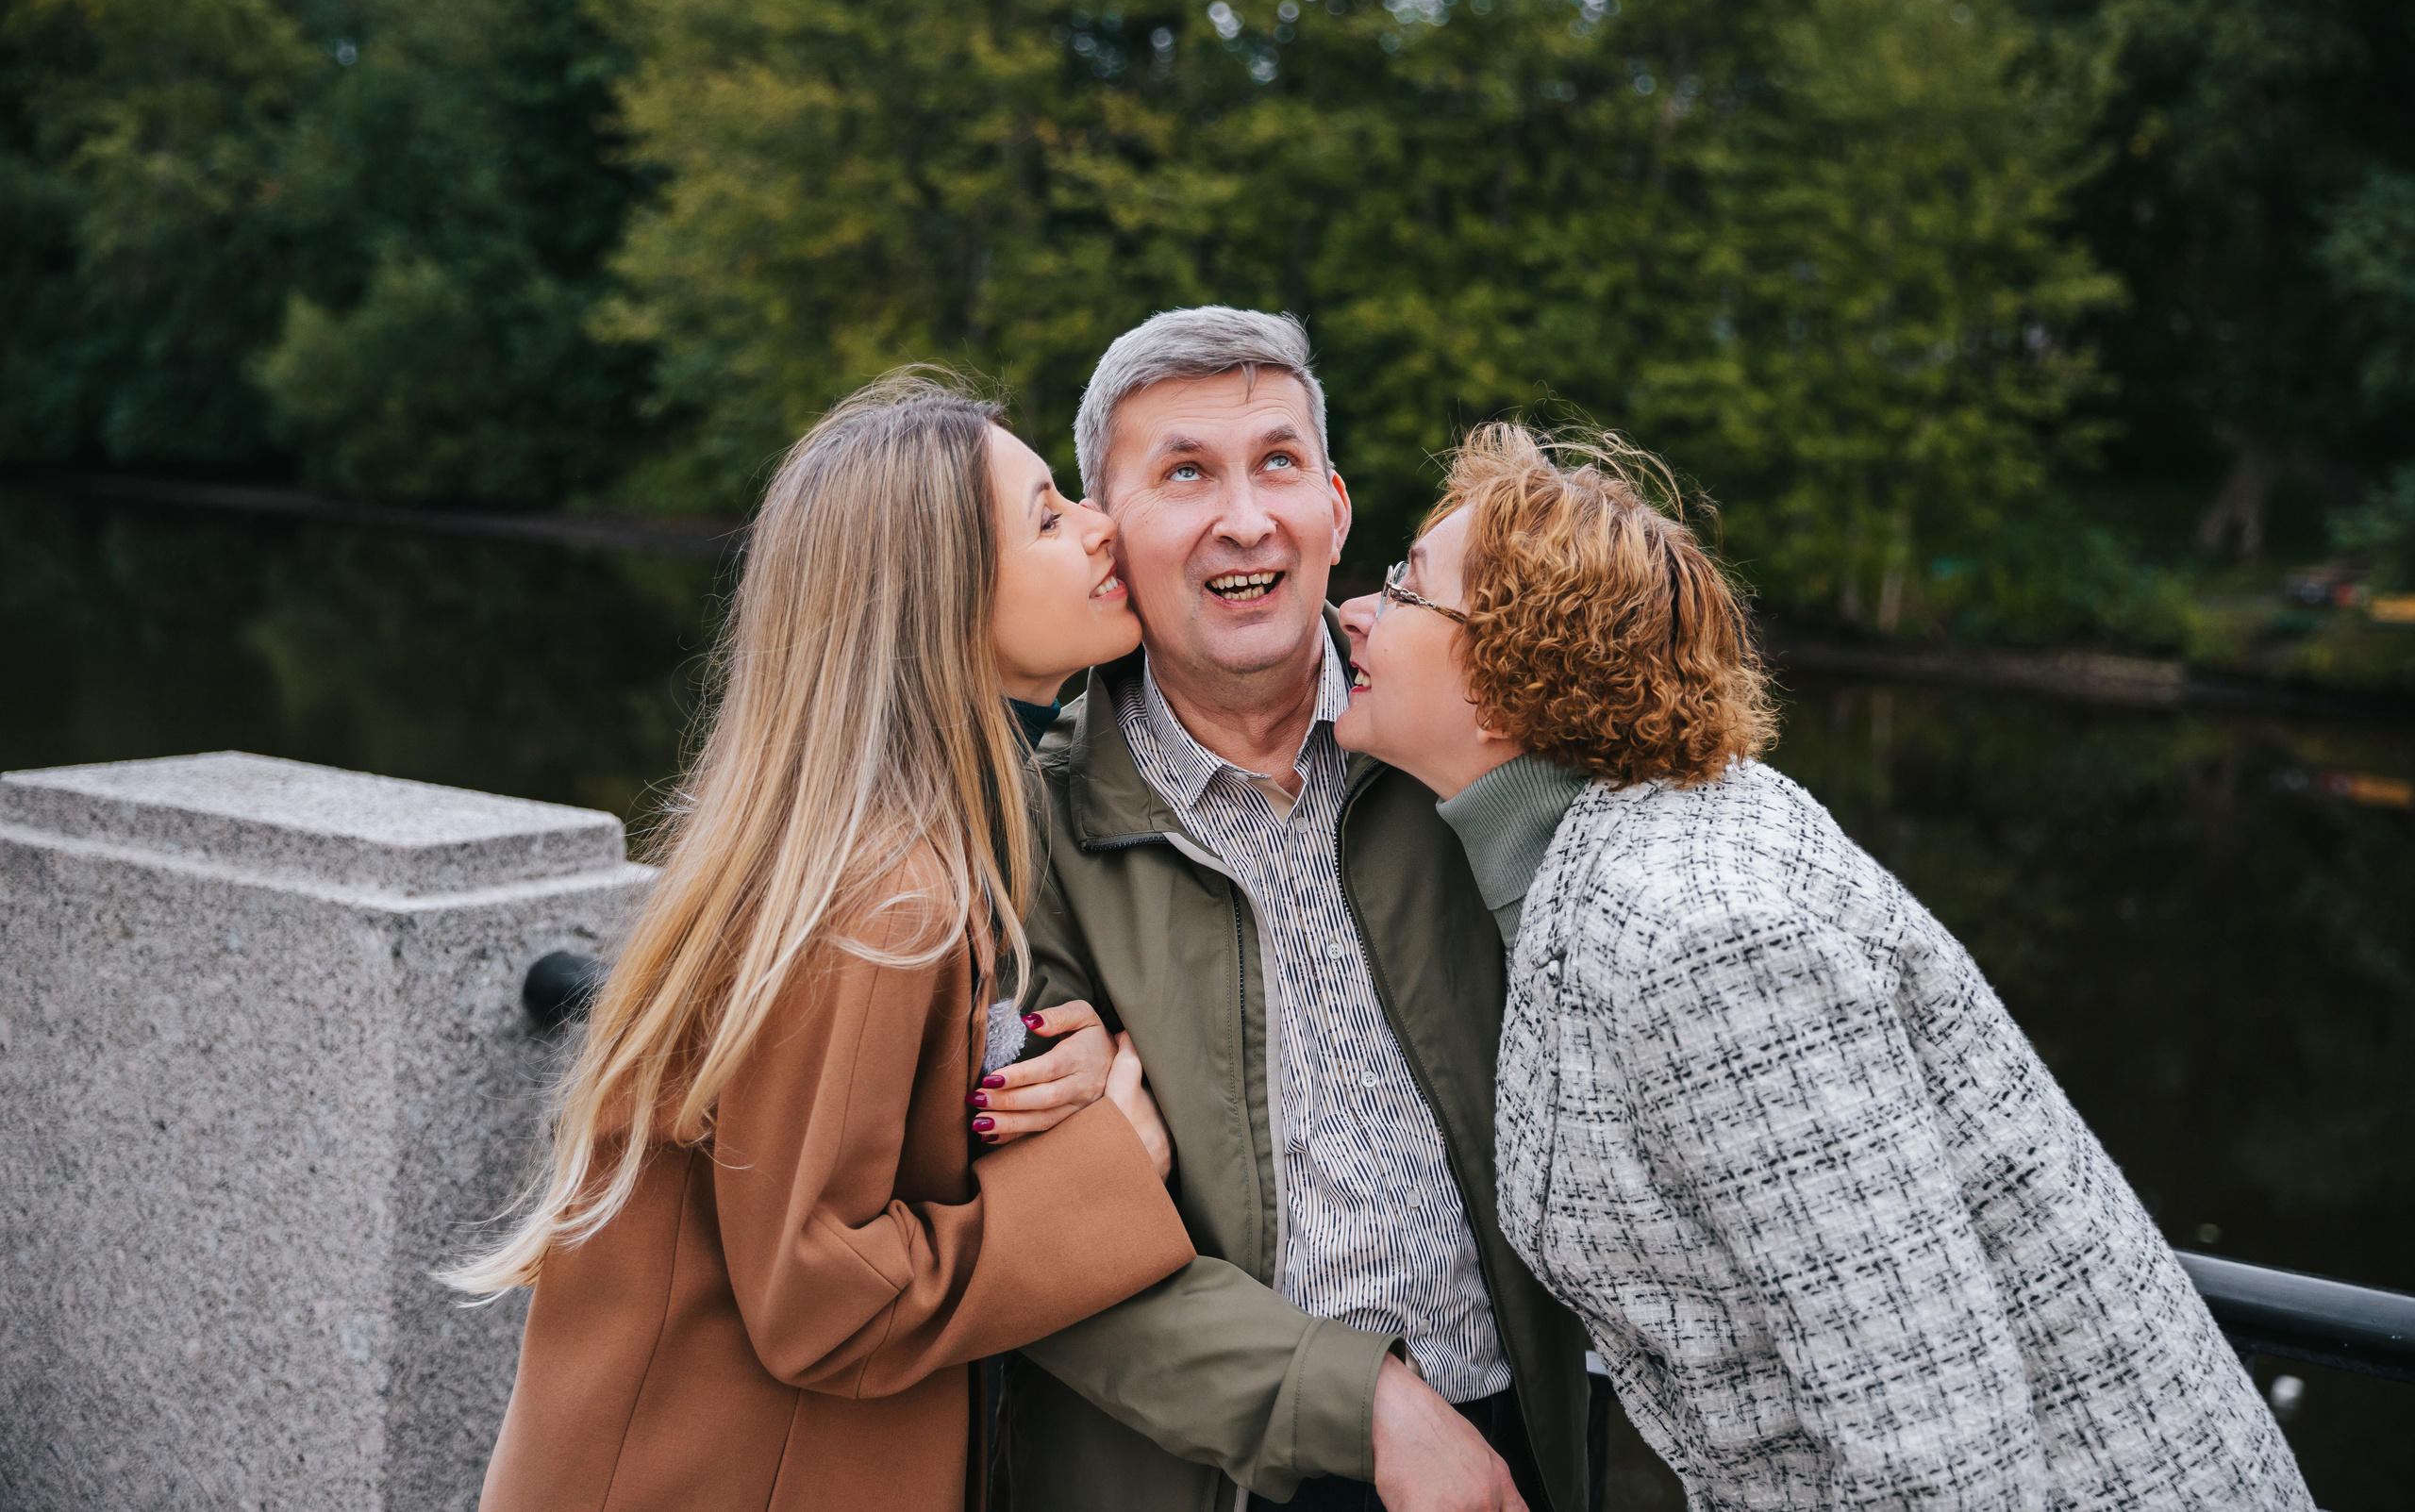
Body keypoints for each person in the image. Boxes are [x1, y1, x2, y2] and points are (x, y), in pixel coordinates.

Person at [1332, 424, 2316, 1509]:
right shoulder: (1628, 844)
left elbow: (1936, 1442)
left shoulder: (1696, 939)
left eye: (1403, 588)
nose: (1354, 611)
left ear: (1508, 676)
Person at [443, 373, 1198, 1512]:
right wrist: (1106, 1173)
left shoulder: (892, 845)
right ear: (935, 600)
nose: (1106, 527)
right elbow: (818, 1299)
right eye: (1050, 516)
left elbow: (874, 1121)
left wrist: (1045, 1065)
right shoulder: (885, 900)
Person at [997, 308, 1591, 1512]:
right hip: (1204, 1475)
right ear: (1108, 539)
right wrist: (1359, 1402)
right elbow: (1038, 1257)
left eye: (1277, 464)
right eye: (1183, 474)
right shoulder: (1017, 837)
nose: (1246, 519)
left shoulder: (1481, 749)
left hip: (1535, 1440)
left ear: (1336, 510)